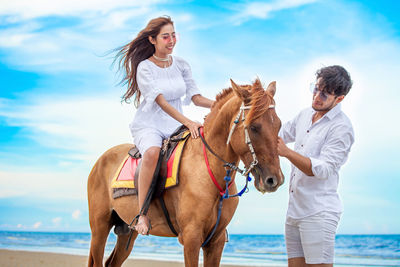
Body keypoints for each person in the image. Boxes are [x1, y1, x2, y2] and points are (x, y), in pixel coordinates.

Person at [116, 16, 214, 235]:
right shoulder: (145, 68)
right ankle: (142, 214)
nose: (171, 40)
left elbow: (196, 98)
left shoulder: (181, 64)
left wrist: (223, 105)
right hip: (150, 124)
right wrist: (188, 122)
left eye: (173, 35)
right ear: (152, 39)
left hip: (175, 124)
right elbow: (160, 101)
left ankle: (213, 216)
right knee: (151, 153)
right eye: (165, 36)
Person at [277, 65, 355, 267]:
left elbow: (323, 169)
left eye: (325, 93)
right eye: (316, 88)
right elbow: (278, 136)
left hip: (319, 212)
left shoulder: (342, 127)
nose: (317, 96)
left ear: (339, 98)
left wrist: (287, 152)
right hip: (293, 211)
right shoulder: (304, 115)